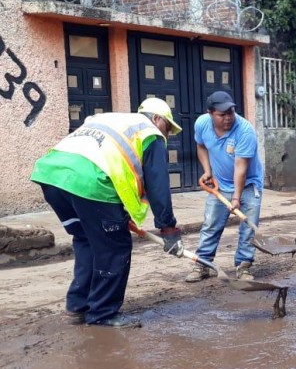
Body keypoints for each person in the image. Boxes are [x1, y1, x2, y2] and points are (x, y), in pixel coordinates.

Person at [30, 98, 183, 329]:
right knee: (114, 247)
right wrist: (168, 228)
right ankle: (102, 313)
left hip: (52, 176)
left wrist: (120, 215)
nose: (167, 135)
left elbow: (114, 166)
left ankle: (78, 306)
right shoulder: (150, 133)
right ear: (157, 119)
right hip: (88, 183)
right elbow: (158, 185)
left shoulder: (110, 120)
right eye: (168, 127)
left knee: (87, 241)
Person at [186, 90, 264, 283]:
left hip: (248, 185)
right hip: (219, 185)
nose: (228, 118)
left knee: (247, 227)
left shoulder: (245, 131)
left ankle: (244, 266)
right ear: (210, 113)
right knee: (210, 225)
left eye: (230, 112)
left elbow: (241, 167)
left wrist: (236, 198)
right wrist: (207, 170)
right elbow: (201, 145)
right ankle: (203, 265)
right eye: (222, 114)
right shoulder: (202, 124)